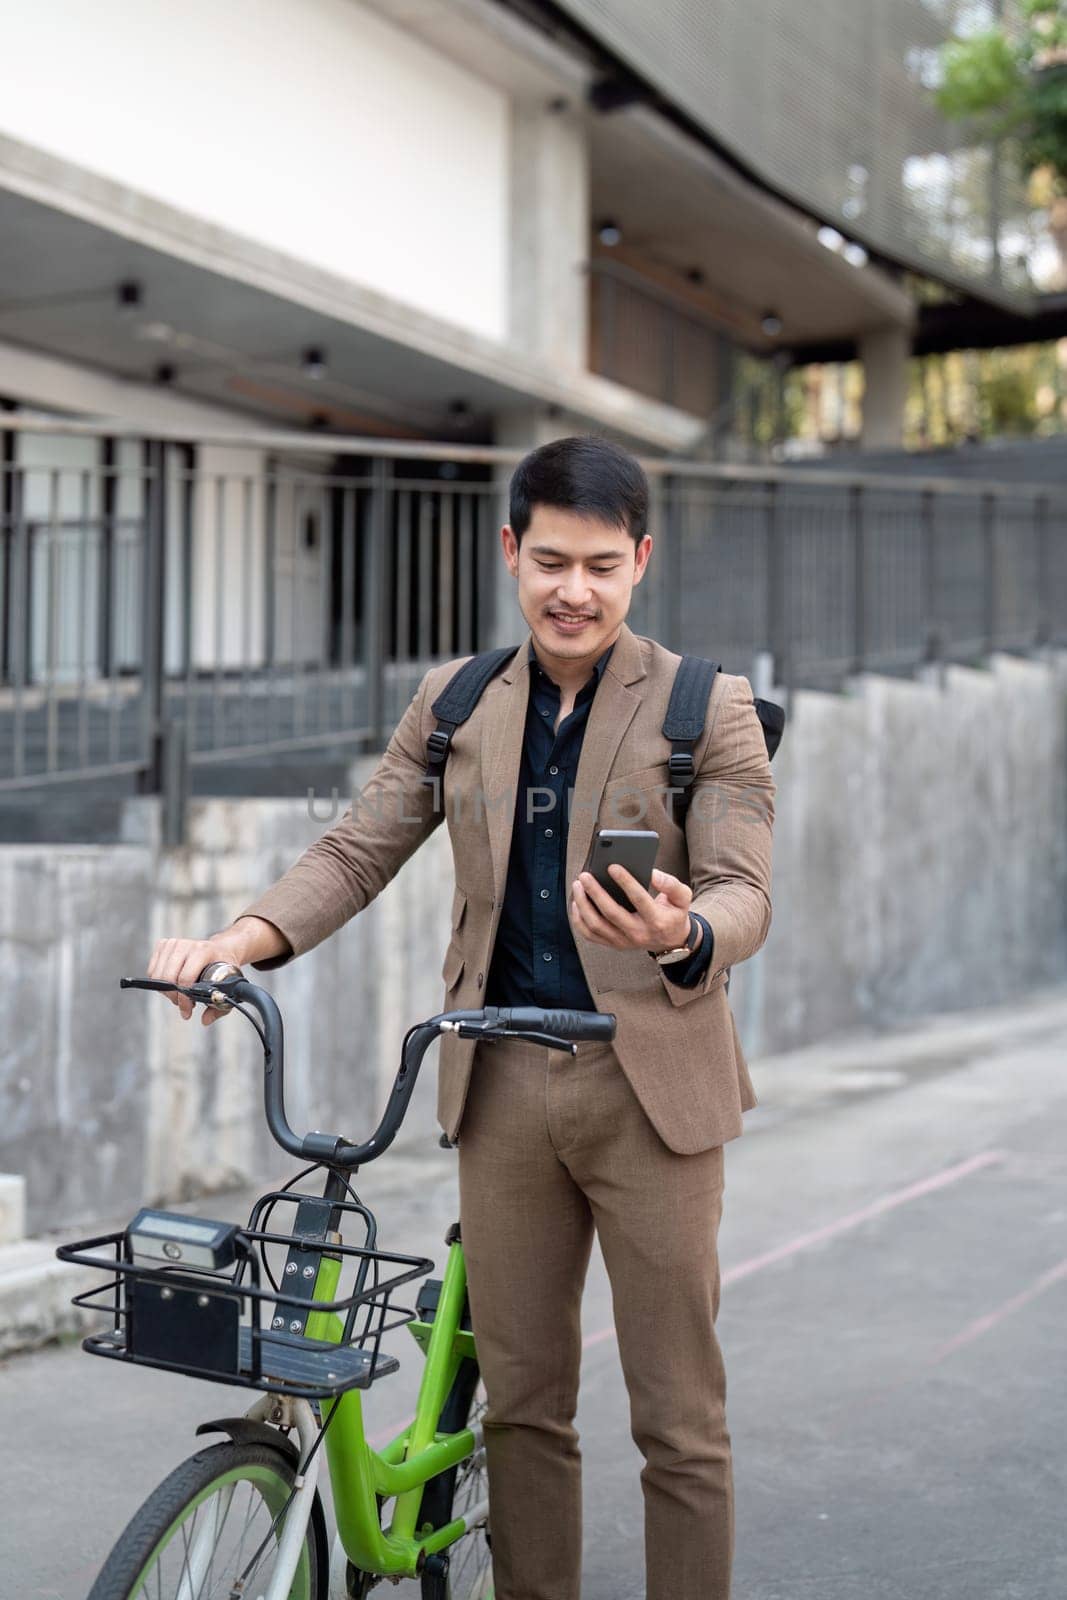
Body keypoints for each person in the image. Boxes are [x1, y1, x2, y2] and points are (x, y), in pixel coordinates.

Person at [147, 435, 775, 1600]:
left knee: (676, 1419)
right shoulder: (455, 701)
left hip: (651, 1096)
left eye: (598, 563)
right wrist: (239, 940)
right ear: (509, 553)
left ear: (639, 560)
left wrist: (685, 929)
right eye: (548, 561)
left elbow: (745, 888)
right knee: (523, 1411)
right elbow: (355, 847)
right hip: (498, 1093)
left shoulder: (708, 708)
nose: (571, 590)